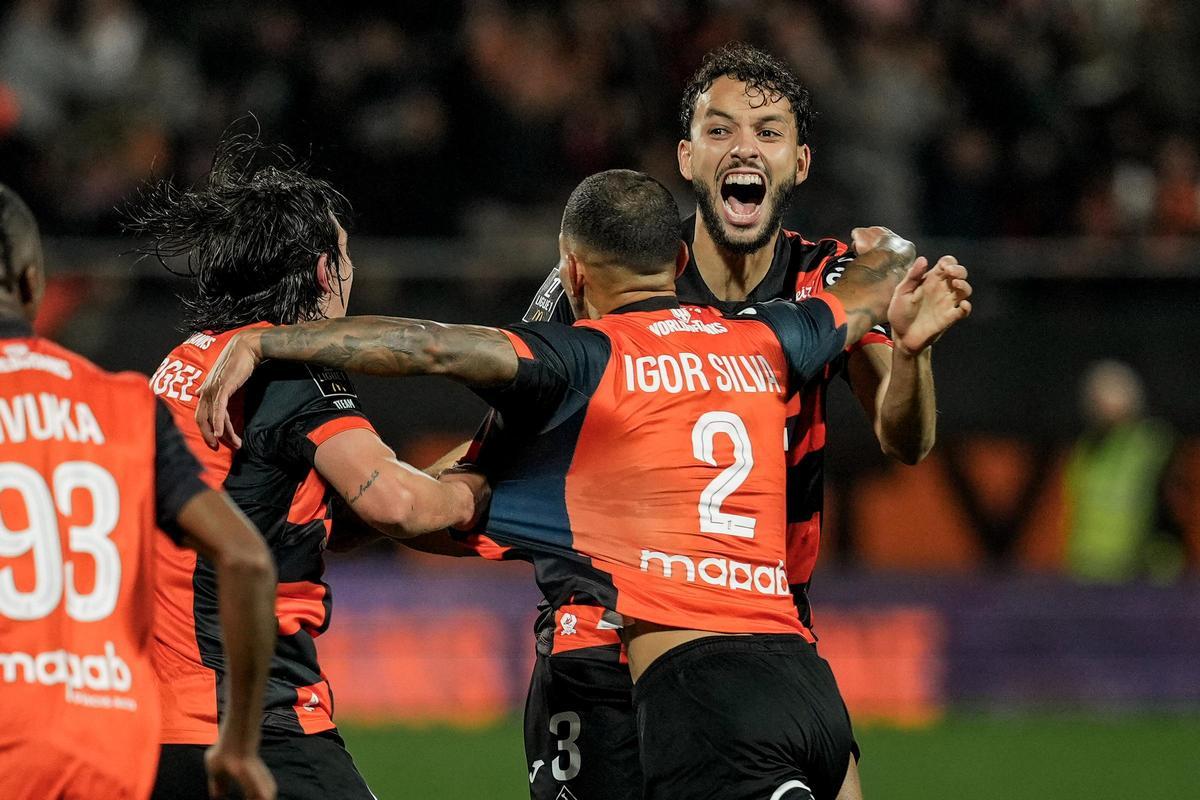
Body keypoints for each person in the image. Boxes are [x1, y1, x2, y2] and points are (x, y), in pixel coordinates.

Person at [192, 169, 971, 800]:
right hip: (805, 673)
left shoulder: (586, 362)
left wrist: (273, 342)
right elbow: (867, 287)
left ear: (570, 270)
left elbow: (429, 349)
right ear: (678, 264)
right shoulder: (765, 336)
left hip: (698, 686)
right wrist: (892, 249)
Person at [466, 43, 952, 800]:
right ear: (687, 158)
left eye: (768, 132)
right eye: (720, 130)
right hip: (602, 644)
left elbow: (906, 439)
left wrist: (913, 357)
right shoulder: (616, 272)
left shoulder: (825, 281)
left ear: (799, 163)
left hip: (761, 637)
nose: (744, 148)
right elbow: (502, 445)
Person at [124, 130, 477, 800]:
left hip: (153, 731)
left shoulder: (188, 360)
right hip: (256, 725)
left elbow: (306, 522)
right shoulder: (293, 372)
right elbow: (401, 506)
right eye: (346, 256)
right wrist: (489, 483)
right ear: (323, 272)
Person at [0, 183, 277, 800]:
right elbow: (246, 559)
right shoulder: (126, 404)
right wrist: (237, 744)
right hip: (110, 750)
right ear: (32, 282)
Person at [1064, 360, 1182, 582]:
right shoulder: (1086, 448)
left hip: (1138, 570)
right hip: (1088, 568)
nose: (1104, 407)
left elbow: (1169, 503)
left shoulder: (1149, 443)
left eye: (1111, 398)